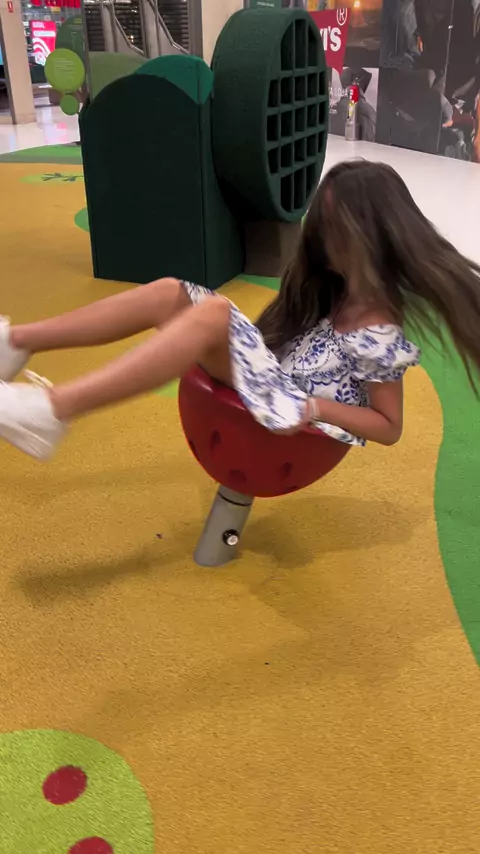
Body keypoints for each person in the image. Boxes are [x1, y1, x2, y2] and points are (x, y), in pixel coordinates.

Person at [0, 160, 479, 461]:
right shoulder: (336, 289)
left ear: (370, 234)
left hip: (289, 406)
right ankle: (17, 342)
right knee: (170, 293)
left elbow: (390, 428)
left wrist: (314, 408)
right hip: (273, 379)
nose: (322, 238)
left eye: (336, 228)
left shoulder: (379, 330)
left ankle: (53, 410)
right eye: (324, 224)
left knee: (215, 314)